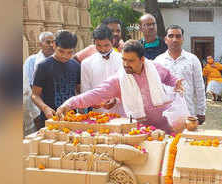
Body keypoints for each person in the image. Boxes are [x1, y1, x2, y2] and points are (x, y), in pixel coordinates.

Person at [55, 40, 184, 134]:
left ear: (142, 59)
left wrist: (176, 82)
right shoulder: (118, 81)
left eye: (131, 60)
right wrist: (69, 103)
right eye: (124, 59)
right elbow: (95, 95)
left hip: (167, 127)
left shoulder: (155, 68)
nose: (125, 64)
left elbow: (168, 77)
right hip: (139, 132)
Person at [155, 25, 206, 124]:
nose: (174, 39)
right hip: (165, 113)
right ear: (165, 39)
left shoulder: (193, 60)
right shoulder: (158, 61)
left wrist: (201, 111)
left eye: (178, 36)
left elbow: (199, 87)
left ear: (182, 39)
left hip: (187, 112)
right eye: (171, 36)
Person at [31, 30, 81, 129]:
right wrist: (45, 108)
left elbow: (79, 91)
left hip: (71, 118)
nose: (65, 56)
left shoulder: (76, 65)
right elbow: (34, 95)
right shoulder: (43, 66)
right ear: (54, 45)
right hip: (50, 118)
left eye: (69, 52)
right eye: (61, 51)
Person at [81, 25, 124, 115]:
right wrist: (92, 101)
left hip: (121, 113)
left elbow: (128, 87)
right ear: (94, 43)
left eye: (106, 45)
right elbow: (85, 90)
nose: (103, 49)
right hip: (98, 115)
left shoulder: (123, 60)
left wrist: (116, 100)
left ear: (112, 41)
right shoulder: (86, 63)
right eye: (99, 45)